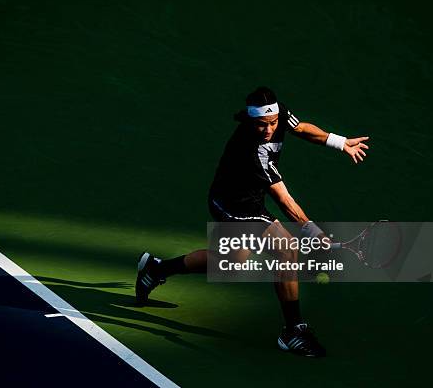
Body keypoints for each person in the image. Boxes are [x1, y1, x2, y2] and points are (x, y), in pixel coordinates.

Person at [135, 86, 370, 357]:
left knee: (230, 263)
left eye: (272, 123)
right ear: (249, 121)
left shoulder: (279, 115)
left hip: (252, 197)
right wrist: (312, 230)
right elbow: (284, 200)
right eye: (261, 125)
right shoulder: (251, 150)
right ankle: (293, 330)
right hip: (232, 203)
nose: (269, 130)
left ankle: (157, 269)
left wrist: (340, 142)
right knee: (286, 248)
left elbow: (302, 128)